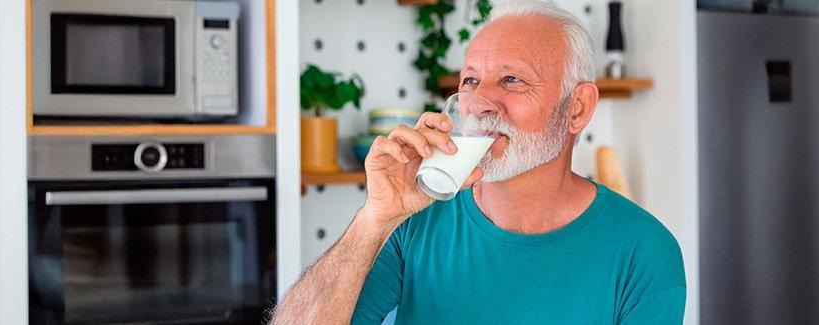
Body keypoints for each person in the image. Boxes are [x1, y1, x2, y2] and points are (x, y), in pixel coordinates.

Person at [272, 0, 685, 323]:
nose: (477, 105)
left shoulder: (644, 252)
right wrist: (374, 218)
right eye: (470, 81)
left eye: (512, 80)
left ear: (577, 108)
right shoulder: (414, 223)